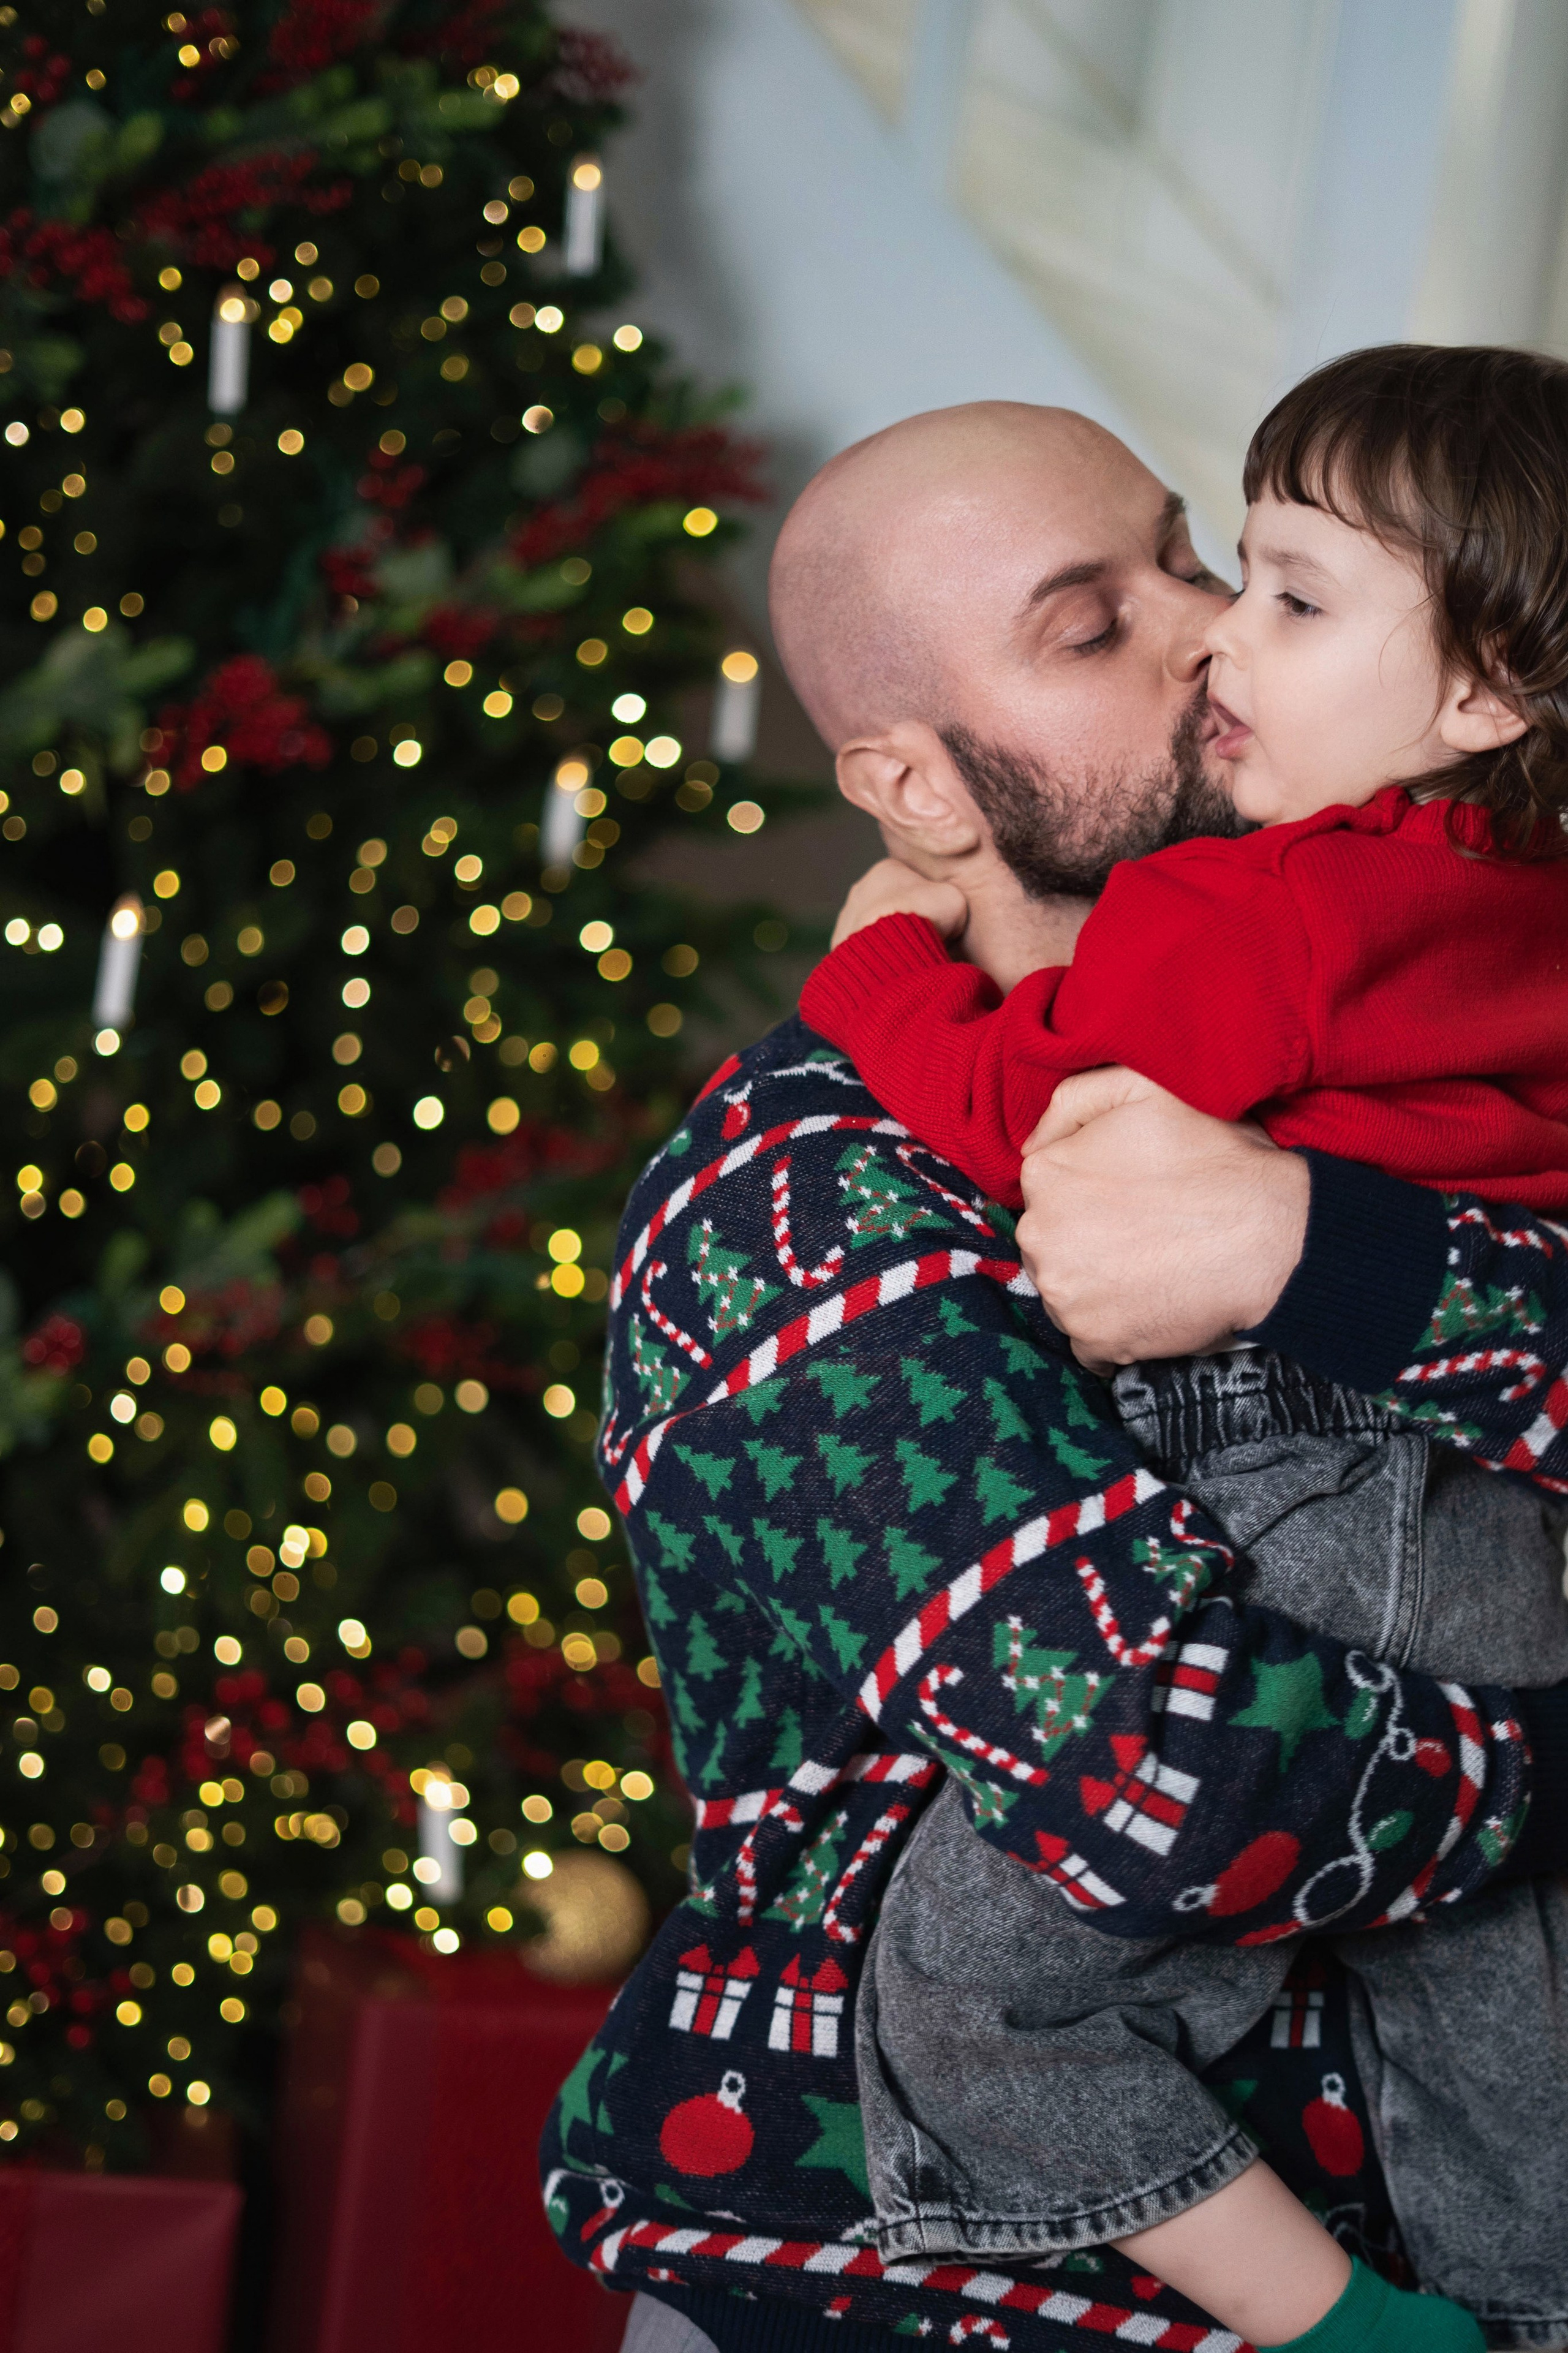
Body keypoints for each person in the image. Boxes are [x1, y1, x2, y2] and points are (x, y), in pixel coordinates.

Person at [540, 399, 1568, 2353]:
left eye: (1195, 559)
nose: (1205, 631)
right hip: (928, 2282)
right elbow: (1166, 1790)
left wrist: (1310, 1253)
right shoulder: (809, 1191)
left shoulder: (1395, 1059)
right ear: (917, 789)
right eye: (1090, 626)